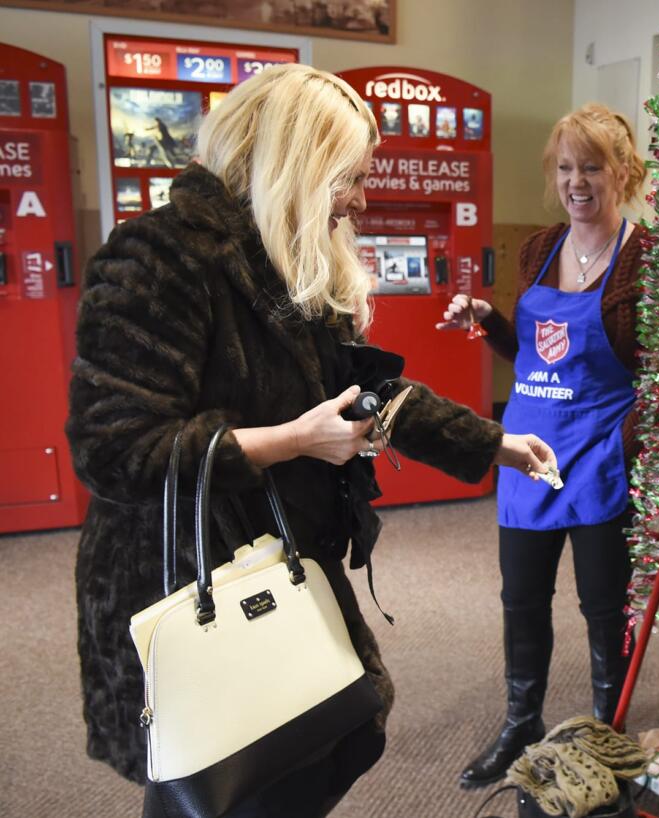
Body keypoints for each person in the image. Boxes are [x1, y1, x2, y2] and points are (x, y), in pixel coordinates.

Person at [66, 64, 554, 817]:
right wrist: (291, 441)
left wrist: (495, 443)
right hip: (186, 578)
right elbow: (114, 451)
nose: (360, 200)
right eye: (349, 177)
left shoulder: (282, 253)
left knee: (314, 748)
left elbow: (362, 400)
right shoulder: (157, 258)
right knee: (222, 777)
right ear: (294, 162)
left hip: (278, 560)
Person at [436, 102, 649, 789]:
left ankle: (605, 732)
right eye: (565, 167)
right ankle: (521, 721)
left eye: (591, 166)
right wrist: (489, 320)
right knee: (520, 598)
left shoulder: (644, 257)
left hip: (598, 459)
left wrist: (625, 445)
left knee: (604, 604)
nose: (576, 181)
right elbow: (533, 353)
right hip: (526, 451)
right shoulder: (539, 248)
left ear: (623, 172)